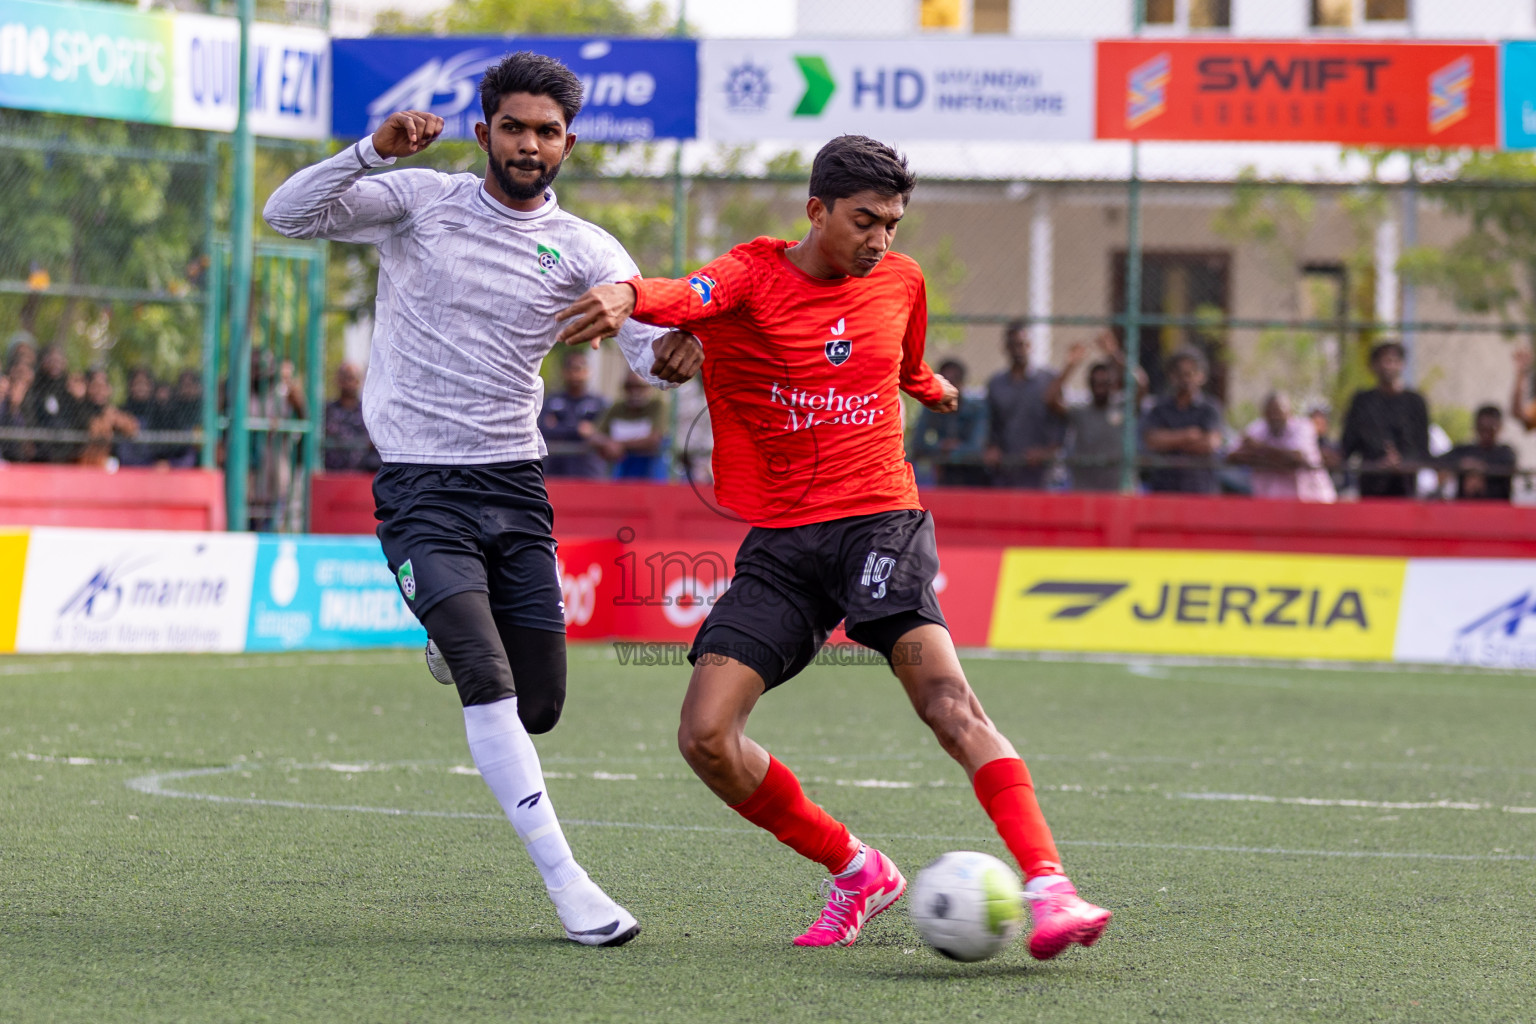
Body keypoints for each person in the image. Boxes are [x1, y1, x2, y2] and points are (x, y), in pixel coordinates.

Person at [556, 134, 1111, 958]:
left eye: (891, 222)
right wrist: (629, 298)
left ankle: (1050, 886)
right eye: (864, 221)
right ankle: (857, 871)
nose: (880, 239)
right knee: (705, 736)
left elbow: (907, 360)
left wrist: (934, 388)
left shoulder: (902, 280)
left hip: (881, 521)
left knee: (946, 703)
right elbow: (685, 293)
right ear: (816, 211)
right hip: (784, 544)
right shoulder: (752, 274)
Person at [264, 51, 701, 947]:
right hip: (420, 484)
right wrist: (368, 153)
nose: (529, 144)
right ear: (484, 133)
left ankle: (449, 638)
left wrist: (675, 360)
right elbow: (285, 213)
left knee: (537, 706)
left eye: (546, 132)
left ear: (568, 144)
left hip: (515, 485)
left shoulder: (587, 251)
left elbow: (650, 360)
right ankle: (571, 888)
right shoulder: (418, 201)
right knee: (487, 678)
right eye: (514, 127)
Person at [1046, 331, 1146, 493]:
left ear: (1113, 384)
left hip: (1119, 490)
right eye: (1096, 382)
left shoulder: (1123, 407)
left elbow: (1141, 385)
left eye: (1104, 383)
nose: (1100, 386)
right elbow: (1051, 399)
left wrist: (1115, 354)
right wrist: (1070, 365)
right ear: (1089, 384)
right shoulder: (1080, 411)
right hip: (1086, 490)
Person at [1341, 340, 1430, 499]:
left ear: (1402, 365)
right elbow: (1348, 444)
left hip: (1405, 485)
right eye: (1384, 361)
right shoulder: (1362, 401)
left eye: (1394, 361)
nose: (1389, 366)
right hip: (1371, 484)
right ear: (1373, 366)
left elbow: (1422, 447)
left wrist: (1401, 462)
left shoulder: (1415, 401)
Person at [985, 322, 1064, 488]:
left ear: (1030, 346)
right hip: (1007, 471)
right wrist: (992, 447)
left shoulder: (1049, 380)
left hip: (1041, 472)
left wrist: (1047, 452)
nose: (1018, 350)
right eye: (1013, 345)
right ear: (1005, 348)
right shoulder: (996, 384)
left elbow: (1063, 424)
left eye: (1022, 344)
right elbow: (991, 423)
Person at [1141, 348, 1224, 494]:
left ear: (1201, 376)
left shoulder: (1209, 408)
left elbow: (1210, 444)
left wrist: (1169, 441)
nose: (1185, 379)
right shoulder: (1159, 408)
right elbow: (1152, 441)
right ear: (1171, 376)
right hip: (1164, 488)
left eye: (1190, 373)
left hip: (1200, 489)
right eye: (1179, 374)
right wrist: (1188, 435)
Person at [1228, 392, 1336, 503]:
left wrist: (1259, 450)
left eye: (1278, 412)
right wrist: (1276, 458)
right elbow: (1232, 456)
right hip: (1271, 503)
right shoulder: (1258, 427)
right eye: (1271, 413)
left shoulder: (1303, 427)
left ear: (1289, 413)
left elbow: (1296, 459)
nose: (1275, 417)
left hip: (1312, 500)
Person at [910, 358, 988, 486]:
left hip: (974, 475)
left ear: (962, 383)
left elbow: (977, 447)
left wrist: (954, 449)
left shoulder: (977, 409)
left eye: (953, 381)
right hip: (942, 475)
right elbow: (917, 443)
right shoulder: (931, 406)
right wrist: (941, 447)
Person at [539, 349, 608, 479]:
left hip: (589, 472)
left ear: (588, 371)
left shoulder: (599, 403)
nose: (575, 374)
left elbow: (602, 433)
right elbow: (545, 430)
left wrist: (561, 426)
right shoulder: (551, 401)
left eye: (579, 369)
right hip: (556, 472)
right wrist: (579, 430)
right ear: (564, 372)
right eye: (571, 369)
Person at [593, 370, 667, 479]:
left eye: (639, 386)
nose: (634, 391)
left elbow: (654, 440)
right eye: (629, 387)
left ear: (649, 387)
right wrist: (607, 443)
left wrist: (619, 445)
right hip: (621, 474)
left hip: (650, 474)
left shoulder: (657, 406)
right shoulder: (617, 408)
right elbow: (595, 434)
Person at [1442, 405, 1517, 502]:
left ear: (1499, 427)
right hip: (1463, 509)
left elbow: (1507, 466)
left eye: (1490, 429)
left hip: (1497, 509)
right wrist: (1462, 465)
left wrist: (1480, 471)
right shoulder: (1463, 451)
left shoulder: (1505, 453)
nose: (1486, 433)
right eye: (1482, 428)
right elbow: (1438, 462)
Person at [23, 344, 78, 463]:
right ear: (43, 361)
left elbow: (75, 418)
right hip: (40, 449)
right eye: (52, 359)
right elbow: (30, 414)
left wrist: (78, 399)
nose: (55, 364)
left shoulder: (67, 388)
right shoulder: (35, 386)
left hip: (65, 449)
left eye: (59, 360)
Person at [322, 362, 380, 472]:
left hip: (362, 477)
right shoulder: (327, 410)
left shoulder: (368, 411)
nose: (350, 383)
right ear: (338, 380)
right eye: (346, 377)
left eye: (354, 378)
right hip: (331, 476)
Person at [77, 367, 139, 467]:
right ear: (88, 387)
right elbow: (97, 430)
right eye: (96, 386)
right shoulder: (80, 409)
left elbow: (132, 427)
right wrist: (107, 421)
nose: (100, 391)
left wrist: (115, 420)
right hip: (84, 464)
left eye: (103, 386)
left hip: (108, 463)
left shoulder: (111, 410)